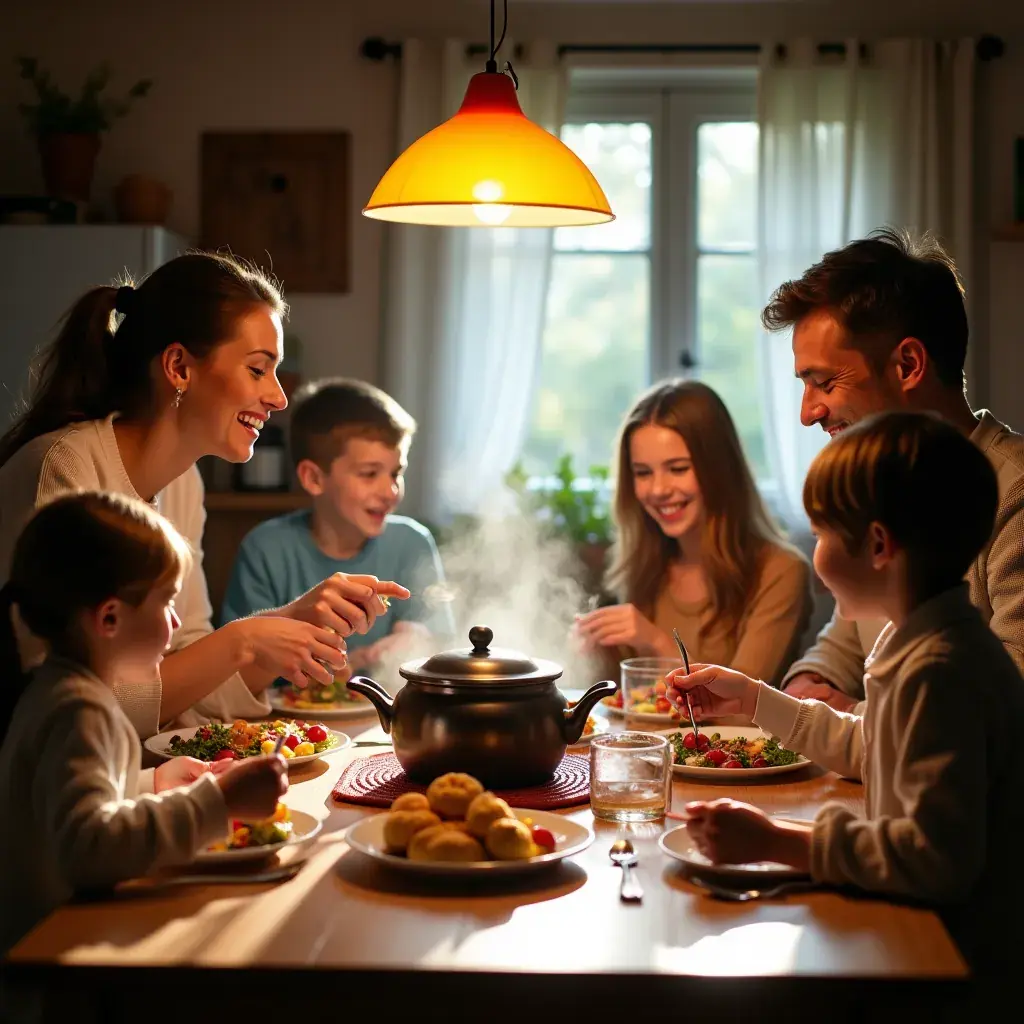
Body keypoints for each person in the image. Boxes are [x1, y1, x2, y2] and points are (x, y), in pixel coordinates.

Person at [668, 411, 1024, 975]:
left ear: (878, 544)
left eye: (821, 535)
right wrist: (754, 699)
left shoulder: (940, 672)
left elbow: (934, 862)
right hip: (921, 932)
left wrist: (780, 843)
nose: (815, 556)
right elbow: (871, 747)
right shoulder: (917, 640)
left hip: (958, 963)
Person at [0, 252, 409, 738]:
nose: (279, 398)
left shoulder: (182, 482)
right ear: (179, 367)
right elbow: (63, 707)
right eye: (257, 370)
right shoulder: (64, 467)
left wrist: (291, 621)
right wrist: (242, 641)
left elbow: (186, 670)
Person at [0, 492, 289, 953]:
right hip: (52, 959)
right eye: (167, 601)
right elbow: (89, 850)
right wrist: (218, 803)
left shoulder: (55, 688)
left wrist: (152, 783)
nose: (175, 621)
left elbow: (58, 801)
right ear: (110, 618)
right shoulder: (80, 710)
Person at [765, 228, 1024, 711]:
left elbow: (1009, 702)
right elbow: (847, 635)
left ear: (907, 364)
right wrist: (808, 682)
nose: (808, 413)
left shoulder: (1015, 494)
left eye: (824, 382)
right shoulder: (878, 482)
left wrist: (848, 717)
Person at [575, 380, 811, 688]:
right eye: (643, 473)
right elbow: (626, 699)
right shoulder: (642, 567)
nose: (658, 490)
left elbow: (741, 703)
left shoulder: (780, 571)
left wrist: (657, 644)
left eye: (678, 469)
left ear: (720, 470)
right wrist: (593, 653)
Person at [222, 378, 454, 683]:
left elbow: (443, 643)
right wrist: (346, 663)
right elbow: (235, 671)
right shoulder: (265, 548)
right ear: (314, 478)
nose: (390, 491)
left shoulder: (412, 542)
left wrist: (418, 635)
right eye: (369, 474)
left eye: (396, 473)